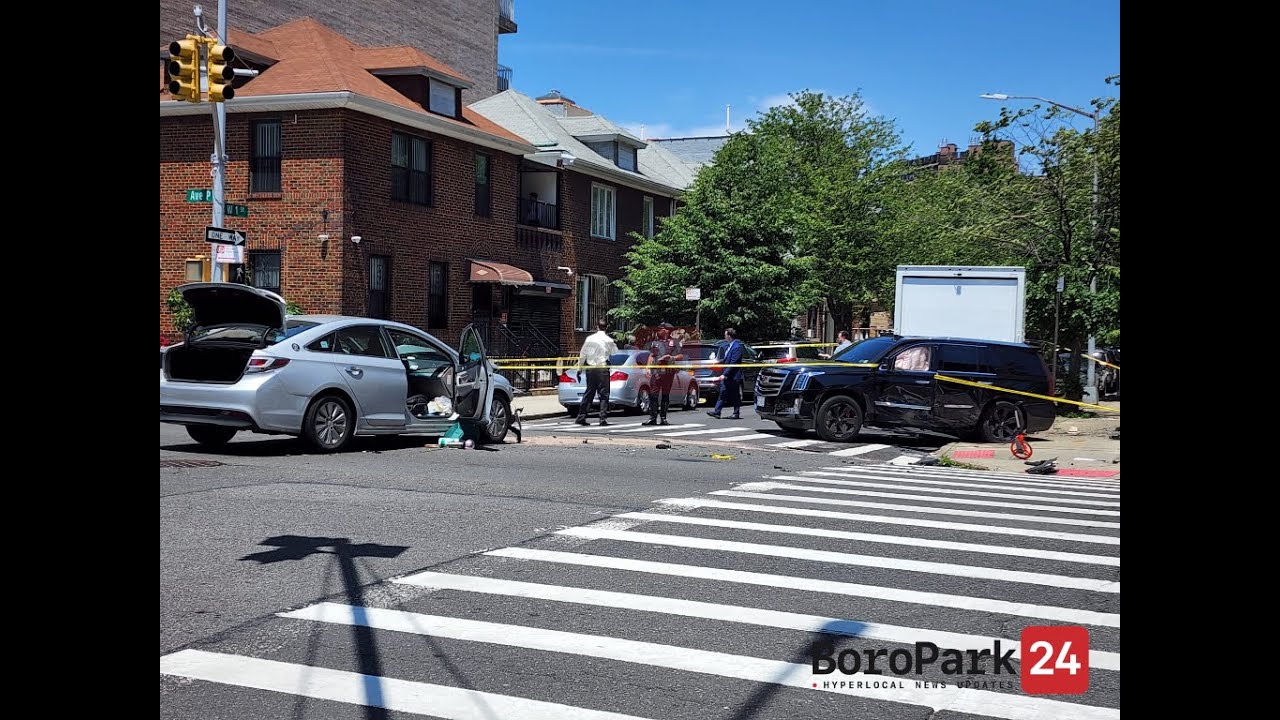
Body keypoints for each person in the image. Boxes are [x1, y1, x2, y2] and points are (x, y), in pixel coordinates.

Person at [574, 318, 619, 426]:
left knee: (589, 393)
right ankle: (602, 419)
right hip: (602, 369)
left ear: (597, 327)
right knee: (604, 394)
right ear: (606, 328)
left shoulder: (590, 338)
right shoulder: (608, 340)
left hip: (591, 369)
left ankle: (581, 417)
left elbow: (582, 354)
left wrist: (579, 368)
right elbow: (615, 352)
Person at [643, 322, 683, 425]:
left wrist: (671, 357)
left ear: (666, 331)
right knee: (653, 395)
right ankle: (652, 417)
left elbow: (680, 356)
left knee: (665, 394)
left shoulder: (675, 342)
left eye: (660, 330)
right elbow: (651, 355)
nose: (658, 331)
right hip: (656, 371)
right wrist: (648, 368)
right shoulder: (655, 343)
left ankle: (663, 418)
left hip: (668, 372)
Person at [708, 328, 744, 419]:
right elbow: (727, 360)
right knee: (722, 393)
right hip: (727, 375)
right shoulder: (729, 346)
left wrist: (725, 374)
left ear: (729, 336)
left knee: (735, 395)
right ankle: (717, 412)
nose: (724, 336)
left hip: (733, 376)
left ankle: (736, 413)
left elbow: (733, 363)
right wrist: (718, 363)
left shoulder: (737, 347)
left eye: (725, 335)